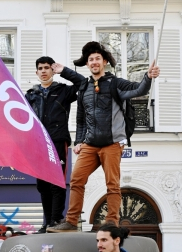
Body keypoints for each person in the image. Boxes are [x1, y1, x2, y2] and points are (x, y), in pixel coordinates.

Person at [47, 41, 160, 232]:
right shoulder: (84, 87)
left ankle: (111, 222)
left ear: (104, 61)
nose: (94, 62)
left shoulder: (115, 83)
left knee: (112, 184)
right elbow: (81, 118)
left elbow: (139, 89)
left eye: (97, 58)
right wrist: (78, 141)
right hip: (90, 144)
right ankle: (71, 222)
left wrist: (148, 77)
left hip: (112, 144)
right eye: (91, 59)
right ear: (87, 64)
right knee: (76, 180)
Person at [25, 57, 85, 232]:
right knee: (42, 185)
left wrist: (64, 71)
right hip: (38, 144)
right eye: (40, 68)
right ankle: (47, 222)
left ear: (52, 71)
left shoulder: (63, 91)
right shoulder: (30, 95)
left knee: (56, 182)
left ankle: (56, 220)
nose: (43, 71)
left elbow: (83, 83)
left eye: (47, 68)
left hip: (57, 141)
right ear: (36, 72)